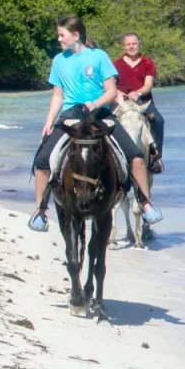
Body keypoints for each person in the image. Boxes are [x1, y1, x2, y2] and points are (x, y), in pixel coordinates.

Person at [28, 16, 163, 232]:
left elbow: (111, 91)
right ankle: (40, 211)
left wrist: (96, 103)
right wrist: (49, 121)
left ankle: (145, 203)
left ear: (76, 35)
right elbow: (57, 96)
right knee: (42, 161)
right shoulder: (58, 61)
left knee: (136, 156)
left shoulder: (99, 57)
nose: (59, 39)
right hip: (70, 115)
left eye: (62, 35)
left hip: (100, 113)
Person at [113, 32, 163, 170]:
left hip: (143, 101)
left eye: (134, 44)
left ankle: (155, 157)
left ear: (139, 45)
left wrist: (138, 92)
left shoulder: (148, 63)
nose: (131, 47)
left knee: (159, 121)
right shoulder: (116, 64)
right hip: (121, 102)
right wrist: (118, 93)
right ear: (123, 46)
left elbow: (148, 85)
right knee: (106, 122)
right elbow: (111, 85)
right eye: (128, 44)